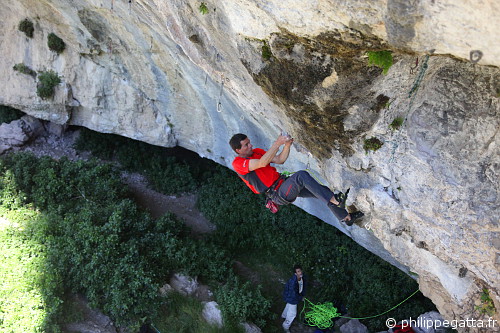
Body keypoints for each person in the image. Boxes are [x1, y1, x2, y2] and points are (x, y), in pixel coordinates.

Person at [229, 133, 363, 225]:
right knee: (301, 176)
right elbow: (262, 163)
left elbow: (280, 160)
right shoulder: (238, 163)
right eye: (246, 145)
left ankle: (346, 218)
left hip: (284, 183)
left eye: (249, 142)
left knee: (322, 191)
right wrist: (277, 143)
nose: (250, 145)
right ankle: (335, 201)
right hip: (276, 193)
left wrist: (286, 145)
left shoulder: (257, 151)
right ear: (238, 150)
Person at [282, 265, 306, 332]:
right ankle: (285, 326)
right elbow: (294, 295)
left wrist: (302, 294)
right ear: (295, 273)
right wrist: (301, 298)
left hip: (290, 296)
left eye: (300, 270)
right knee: (292, 313)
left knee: (288, 306)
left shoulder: (301, 277)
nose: (300, 272)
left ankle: (284, 316)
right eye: (298, 272)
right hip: (291, 298)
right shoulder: (293, 282)